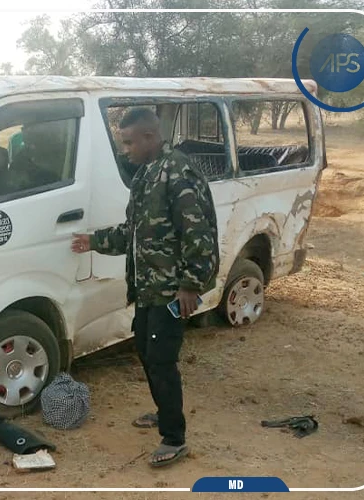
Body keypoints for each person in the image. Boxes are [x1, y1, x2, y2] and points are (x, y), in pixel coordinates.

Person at [70, 107, 218, 469]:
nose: (125, 150)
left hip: (171, 291)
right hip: (148, 288)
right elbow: (133, 232)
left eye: (129, 142)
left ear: (150, 138)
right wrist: (93, 241)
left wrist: (190, 286)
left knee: (162, 359)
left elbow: (198, 233)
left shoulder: (177, 172)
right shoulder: (147, 175)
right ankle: (164, 410)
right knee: (146, 350)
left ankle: (174, 437)